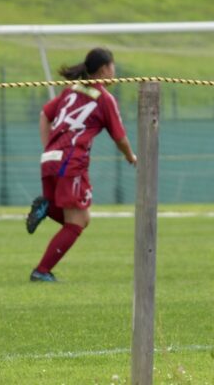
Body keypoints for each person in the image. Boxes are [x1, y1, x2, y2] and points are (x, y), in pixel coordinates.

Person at [24, 47, 136, 282]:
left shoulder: (70, 90)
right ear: (105, 69)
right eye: (112, 68)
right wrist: (130, 156)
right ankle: (41, 271)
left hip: (50, 160)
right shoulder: (104, 98)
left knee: (78, 219)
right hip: (70, 162)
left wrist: (49, 148)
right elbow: (120, 137)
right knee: (78, 221)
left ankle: (45, 210)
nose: (114, 72)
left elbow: (45, 115)